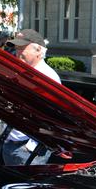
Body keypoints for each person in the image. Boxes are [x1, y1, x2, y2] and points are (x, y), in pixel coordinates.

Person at [4, 28, 61, 165]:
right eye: (16, 49)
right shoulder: (22, 73)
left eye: (22, 48)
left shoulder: (47, 78)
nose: (17, 53)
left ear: (38, 50)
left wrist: (30, 147)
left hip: (28, 151)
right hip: (12, 144)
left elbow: (52, 117)